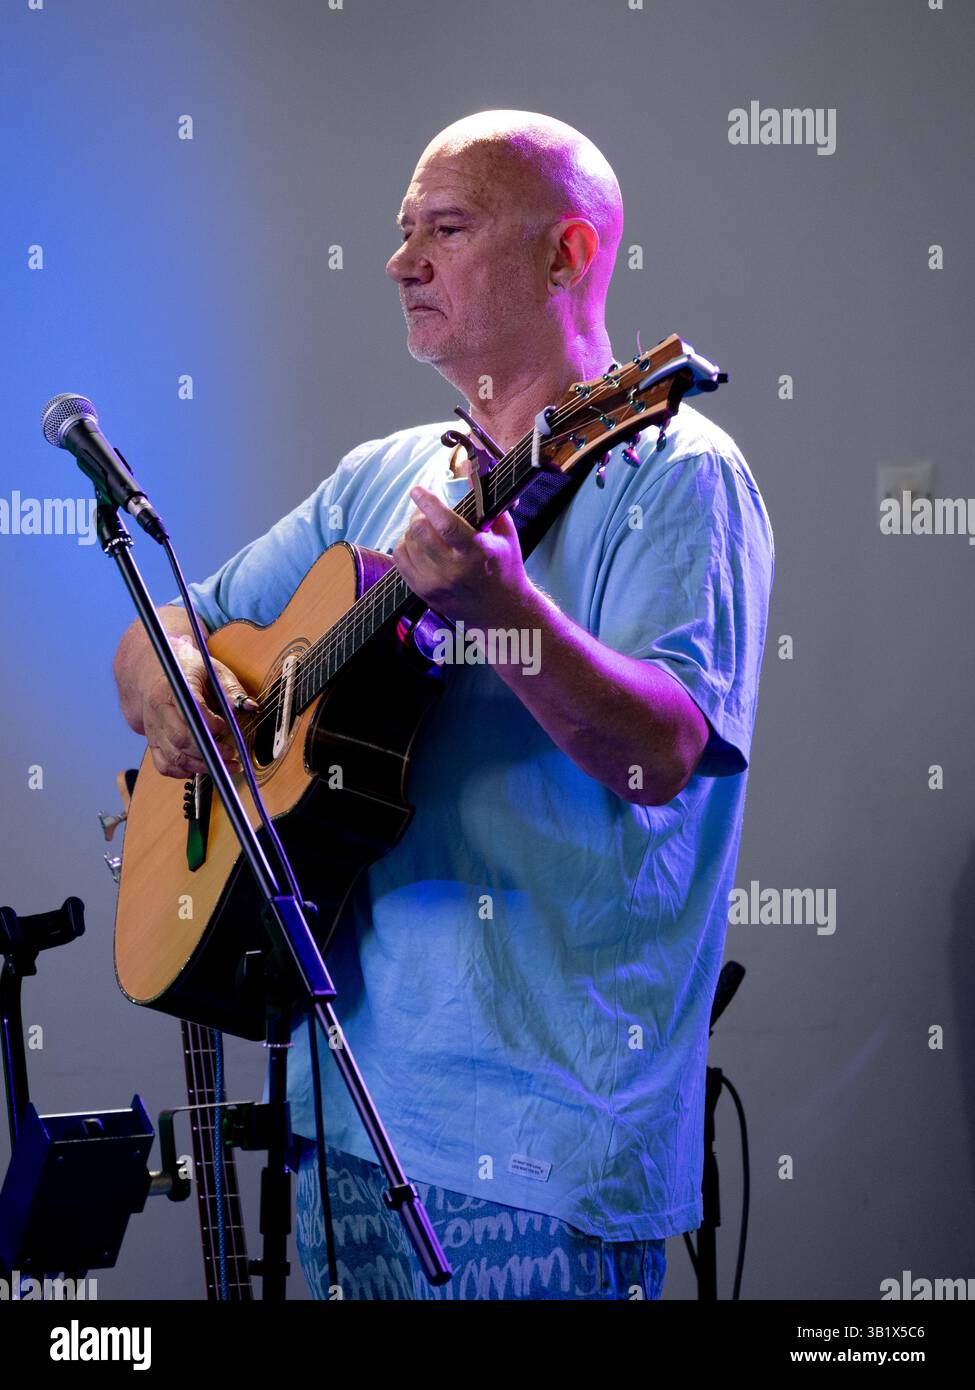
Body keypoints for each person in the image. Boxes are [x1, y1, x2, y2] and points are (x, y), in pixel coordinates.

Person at [112, 109, 774, 1301]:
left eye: (447, 228)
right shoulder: (384, 472)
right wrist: (179, 684)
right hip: (348, 1119)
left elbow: (662, 756)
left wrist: (502, 609)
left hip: (543, 1146)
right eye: (402, 229)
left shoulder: (681, 475)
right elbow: (163, 625)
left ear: (568, 255)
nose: (401, 259)